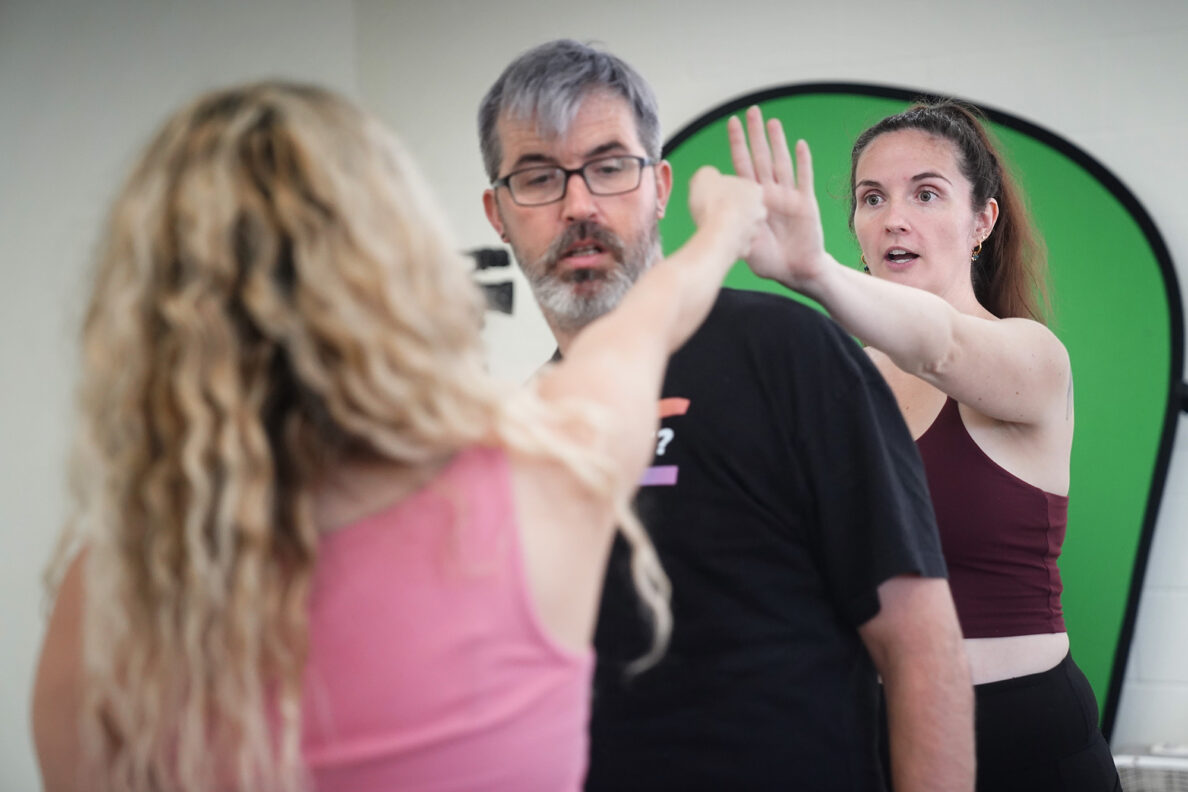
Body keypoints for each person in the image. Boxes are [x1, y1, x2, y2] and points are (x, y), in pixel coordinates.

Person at [30, 81, 767, 792]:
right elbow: (642, 332)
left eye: (607, 168)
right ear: (399, 275)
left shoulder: (105, 601)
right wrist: (724, 226)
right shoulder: (534, 489)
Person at [479, 40, 973, 791]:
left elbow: (923, 650)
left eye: (610, 167)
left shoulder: (788, 353)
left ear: (660, 187)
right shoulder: (519, 427)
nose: (579, 204)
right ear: (498, 213)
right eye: (539, 177)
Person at [729, 100, 1123, 791]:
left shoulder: (1032, 356)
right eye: (871, 197)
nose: (893, 218)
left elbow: (938, 344)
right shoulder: (840, 381)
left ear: (982, 223)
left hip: (1023, 740)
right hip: (871, 737)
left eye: (927, 193)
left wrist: (813, 271)